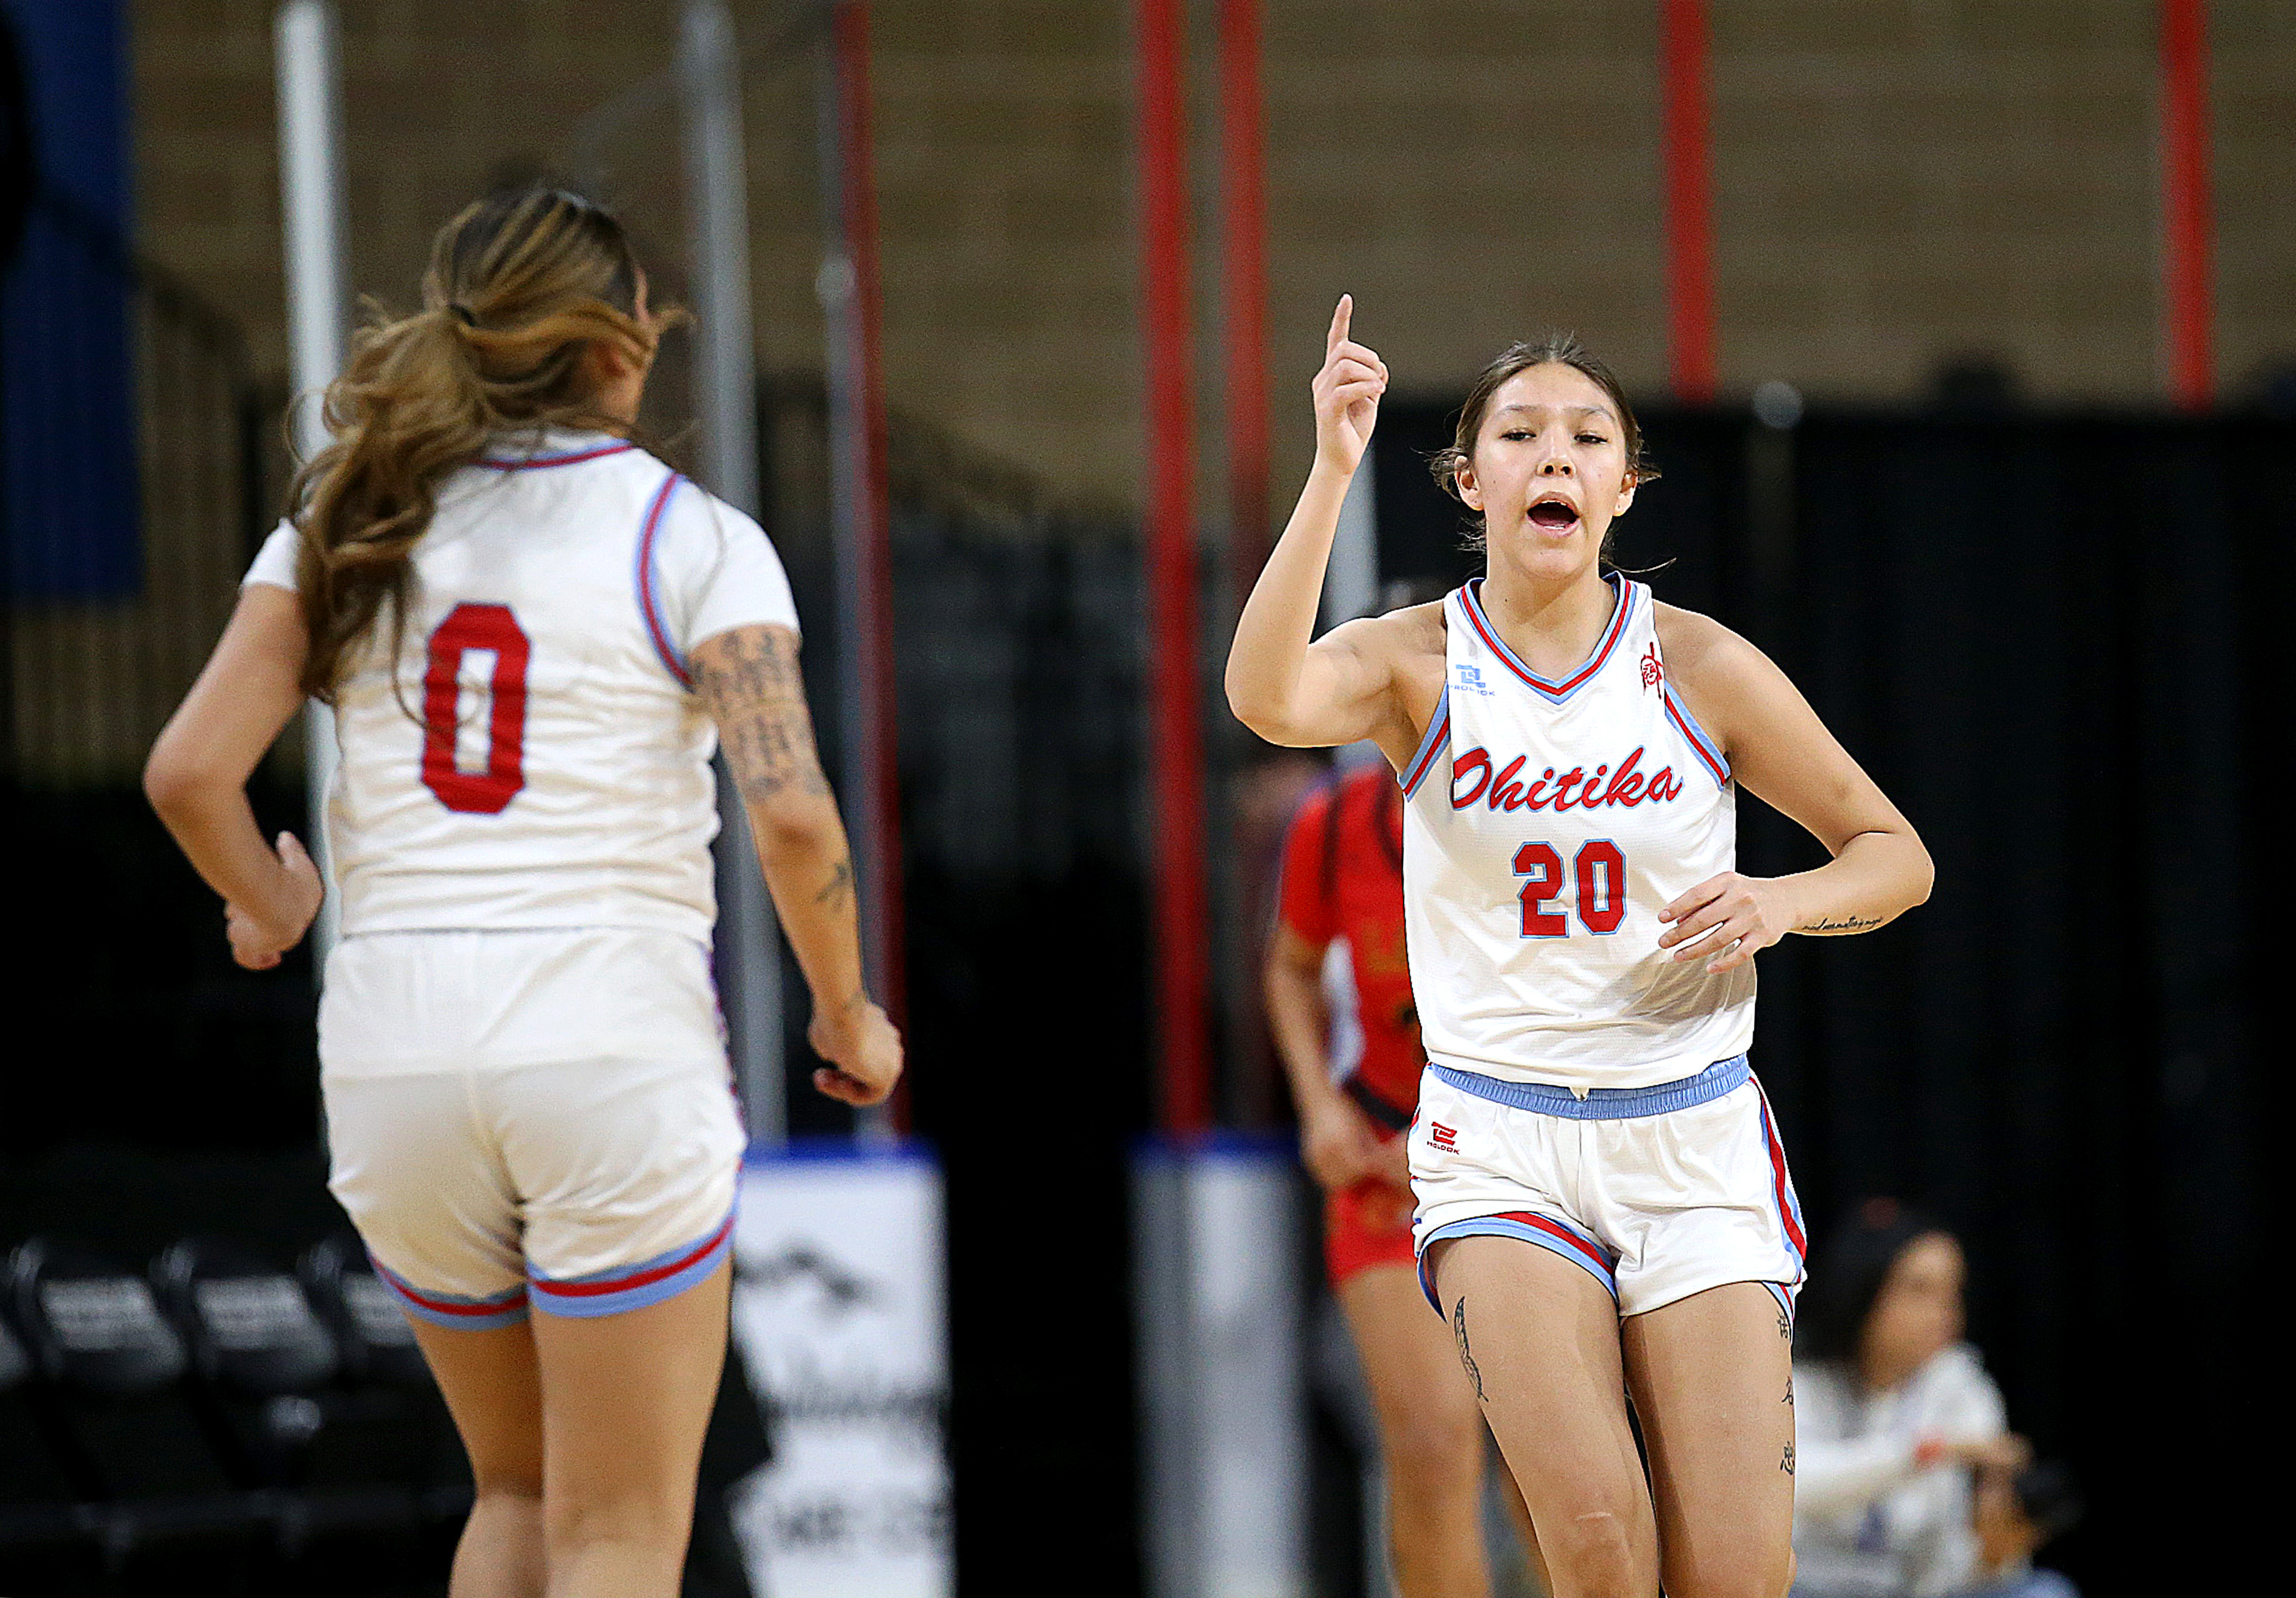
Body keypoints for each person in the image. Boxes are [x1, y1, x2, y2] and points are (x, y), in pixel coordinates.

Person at [143, 188, 901, 1598]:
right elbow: (793, 814)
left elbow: (190, 770)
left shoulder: (350, 516)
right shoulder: (692, 534)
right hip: (605, 1040)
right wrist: (849, 1010)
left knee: (517, 1489)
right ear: (624, 345)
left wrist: (269, 903)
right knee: (617, 1529)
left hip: (394, 1056)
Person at [1226, 298, 1934, 1598]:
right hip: (1502, 1132)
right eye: (1521, 431)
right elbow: (1264, 695)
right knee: (1598, 1537)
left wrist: (1781, 902)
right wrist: (1329, 469)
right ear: (1470, 476)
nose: (1554, 454)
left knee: (1734, 1573)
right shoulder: (1418, 661)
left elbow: (1895, 855)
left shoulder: (1702, 664)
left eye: (1586, 435)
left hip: (1692, 1128)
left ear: (1625, 483)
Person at [1266, 729, 1540, 1597]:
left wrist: (1456, 1140)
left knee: (1548, 1460)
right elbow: (1290, 965)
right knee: (1428, 1446)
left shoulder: (1554, 813)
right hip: (1387, 1170)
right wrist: (1318, 1106)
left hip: (1532, 1155)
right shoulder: (1338, 822)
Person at [1791, 1201, 2035, 1598]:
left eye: (1952, 1292)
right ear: (1862, 1290)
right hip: (1811, 1585)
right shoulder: (1801, 1378)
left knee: (2042, 1590)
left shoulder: (1962, 1384)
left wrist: (1995, 1557)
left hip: (1914, 1589)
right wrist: (1922, 1452)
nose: (1942, 1312)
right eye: (1919, 1290)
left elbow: (1955, 1567)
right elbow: (1797, 1488)